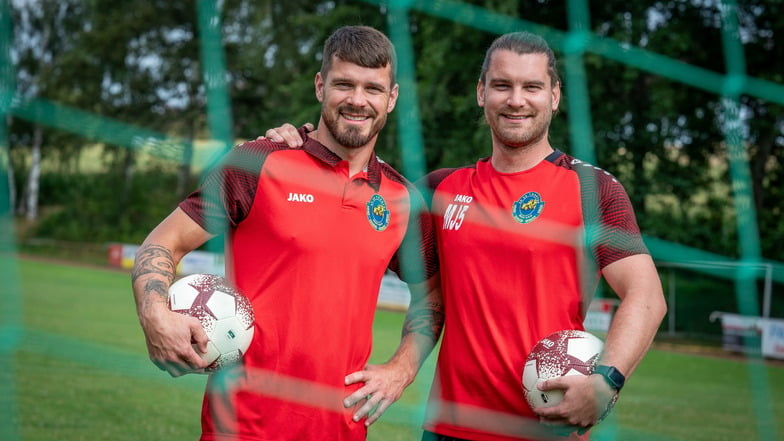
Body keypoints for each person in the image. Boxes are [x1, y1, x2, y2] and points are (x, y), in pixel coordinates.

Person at [263, 31, 667, 441]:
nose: (516, 100)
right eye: (502, 85)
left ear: (555, 95)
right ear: (481, 92)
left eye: (532, 87)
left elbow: (646, 296)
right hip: (447, 428)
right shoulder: (440, 190)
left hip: (547, 428)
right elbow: (352, 192)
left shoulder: (591, 189)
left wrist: (606, 382)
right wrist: (300, 143)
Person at [131, 25, 443, 441]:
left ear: (392, 98)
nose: (357, 100)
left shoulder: (402, 201)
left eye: (373, 88)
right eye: (343, 84)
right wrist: (154, 314)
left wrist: (401, 369)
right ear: (320, 86)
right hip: (240, 426)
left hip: (342, 428)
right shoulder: (258, 162)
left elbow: (433, 295)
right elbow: (163, 243)